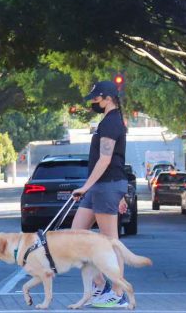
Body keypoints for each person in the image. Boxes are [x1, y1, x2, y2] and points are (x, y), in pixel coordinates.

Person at [71, 80, 129, 309]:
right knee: (76, 235)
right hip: (101, 186)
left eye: (96, 98)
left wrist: (85, 186)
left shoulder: (112, 122)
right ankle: (101, 285)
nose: (93, 102)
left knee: (111, 242)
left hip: (106, 186)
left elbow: (106, 160)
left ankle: (119, 292)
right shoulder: (107, 121)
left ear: (107, 98)